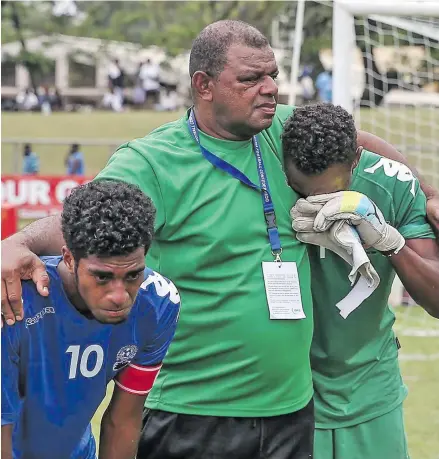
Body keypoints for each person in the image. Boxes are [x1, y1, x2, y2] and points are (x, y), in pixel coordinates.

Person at [2, 20, 439, 459]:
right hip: (194, 414)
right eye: (250, 79)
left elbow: (359, 141)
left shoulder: (281, 131)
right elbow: (84, 218)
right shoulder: (155, 161)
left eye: (272, 76)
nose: (268, 88)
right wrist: (18, 242)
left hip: (291, 411)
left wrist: (429, 192)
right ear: (203, 85)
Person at [281, 103, 439, 459]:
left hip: (369, 382)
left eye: (330, 191)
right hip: (286, 386)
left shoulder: (391, 181)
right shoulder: (264, 171)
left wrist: (389, 242)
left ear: (355, 161)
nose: (316, 201)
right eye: (303, 190)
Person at [1, 180, 180, 459]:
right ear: (69, 259)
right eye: (102, 277)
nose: (119, 296)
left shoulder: (157, 304)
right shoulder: (14, 304)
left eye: (133, 274)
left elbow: (123, 421)